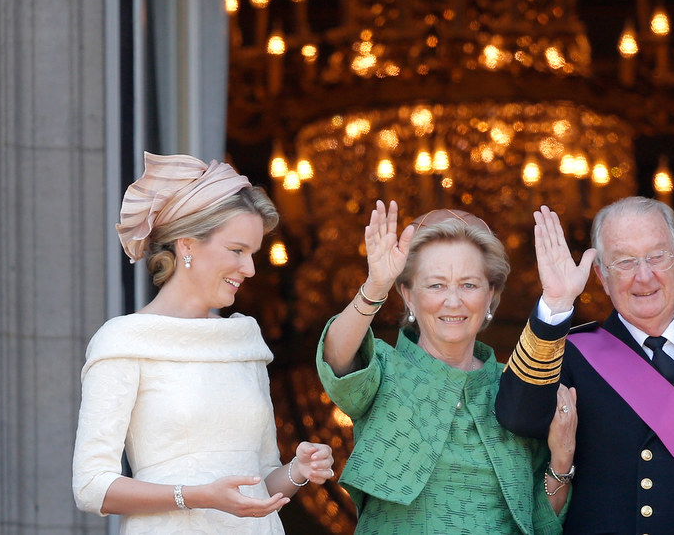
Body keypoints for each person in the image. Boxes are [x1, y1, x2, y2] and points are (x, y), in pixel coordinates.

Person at [73, 152, 335, 533]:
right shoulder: (123, 340)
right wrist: (198, 496)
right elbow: (90, 486)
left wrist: (297, 471)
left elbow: (260, 480)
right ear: (188, 245)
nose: (249, 269)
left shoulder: (244, 339)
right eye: (237, 251)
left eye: (253, 254)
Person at [497, 196, 674, 534]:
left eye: (657, 257)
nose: (644, 276)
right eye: (624, 262)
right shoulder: (571, 355)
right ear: (602, 276)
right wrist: (557, 302)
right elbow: (516, 417)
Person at [316, 201, 576, 535]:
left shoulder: (517, 389)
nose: (453, 301)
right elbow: (336, 358)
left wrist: (562, 459)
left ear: (491, 295)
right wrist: (375, 287)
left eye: (469, 285)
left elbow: (542, 521)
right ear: (408, 295)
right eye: (436, 285)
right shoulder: (384, 368)